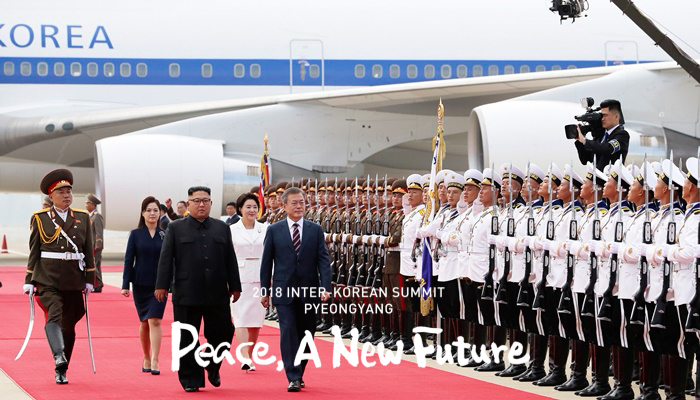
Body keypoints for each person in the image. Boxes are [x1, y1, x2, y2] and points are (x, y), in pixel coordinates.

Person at [155, 186, 242, 393]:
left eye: (205, 200)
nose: (201, 204)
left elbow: (230, 258)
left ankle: (212, 365)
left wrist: (235, 286)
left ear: (211, 203)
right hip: (187, 291)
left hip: (217, 291)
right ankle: (190, 379)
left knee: (223, 332)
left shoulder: (222, 227)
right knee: (187, 337)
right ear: (189, 204)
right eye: (196, 201)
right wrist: (161, 285)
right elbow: (166, 259)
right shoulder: (176, 228)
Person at [23, 169, 96, 384]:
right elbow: (34, 250)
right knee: (54, 313)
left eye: (69, 191)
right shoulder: (40, 219)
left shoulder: (82, 218)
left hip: (73, 279)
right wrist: (29, 280)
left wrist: (90, 280)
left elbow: (89, 250)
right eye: (61, 192)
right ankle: (58, 357)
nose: (66, 195)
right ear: (51, 196)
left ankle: (64, 366)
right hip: (48, 278)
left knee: (69, 326)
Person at [260, 187, 332, 392]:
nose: (299, 206)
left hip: (309, 291)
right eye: (294, 203)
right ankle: (293, 375)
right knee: (288, 330)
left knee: (307, 333)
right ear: (284, 206)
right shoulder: (274, 230)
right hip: (284, 291)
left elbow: (323, 260)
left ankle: (299, 369)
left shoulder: (315, 229)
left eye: (302, 202)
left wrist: (325, 287)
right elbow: (267, 263)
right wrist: (265, 291)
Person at [121, 196, 168, 376]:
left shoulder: (165, 234)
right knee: (145, 322)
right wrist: (125, 285)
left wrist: (171, 283)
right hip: (140, 283)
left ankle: (155, 359)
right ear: (143, 213)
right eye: (148, 210)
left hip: (160, 285)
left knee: (155, 320)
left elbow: (171, 260)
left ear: (160, 213)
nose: (152, 213)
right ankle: (146, 357)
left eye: (155, 210)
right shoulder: (135, 234)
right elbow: (128, 260)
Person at [230, 193, 268, 371]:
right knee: (241, 318)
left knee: (255, 320)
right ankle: (244, 356)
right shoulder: (231, 230)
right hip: (240, 277)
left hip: (261, 277)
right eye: (248, 207)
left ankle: (250, 356)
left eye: (255, 207)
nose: (252, 210)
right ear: (240, 209)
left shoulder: (266, 229)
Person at [575, 99, 629, 171]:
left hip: (610, 179)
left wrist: (585, 141)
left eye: (605, 115)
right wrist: (580, 140)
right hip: (596, 180)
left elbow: (608, 148)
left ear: (616, 116)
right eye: (601, 115)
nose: (602, 119)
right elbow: (585, 160)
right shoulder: (601, 136)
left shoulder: (622, 135)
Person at [86, 194, 104, 292]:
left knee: (94, 265)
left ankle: (98, 285)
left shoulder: (97, 216)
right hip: (92, 245)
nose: (86, 205)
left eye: (87, 203)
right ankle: (97, 285)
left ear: (93, 205)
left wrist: (98, 244)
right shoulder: (91, 216)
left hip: (95, 246)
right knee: (95, 265)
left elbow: (99, 231)